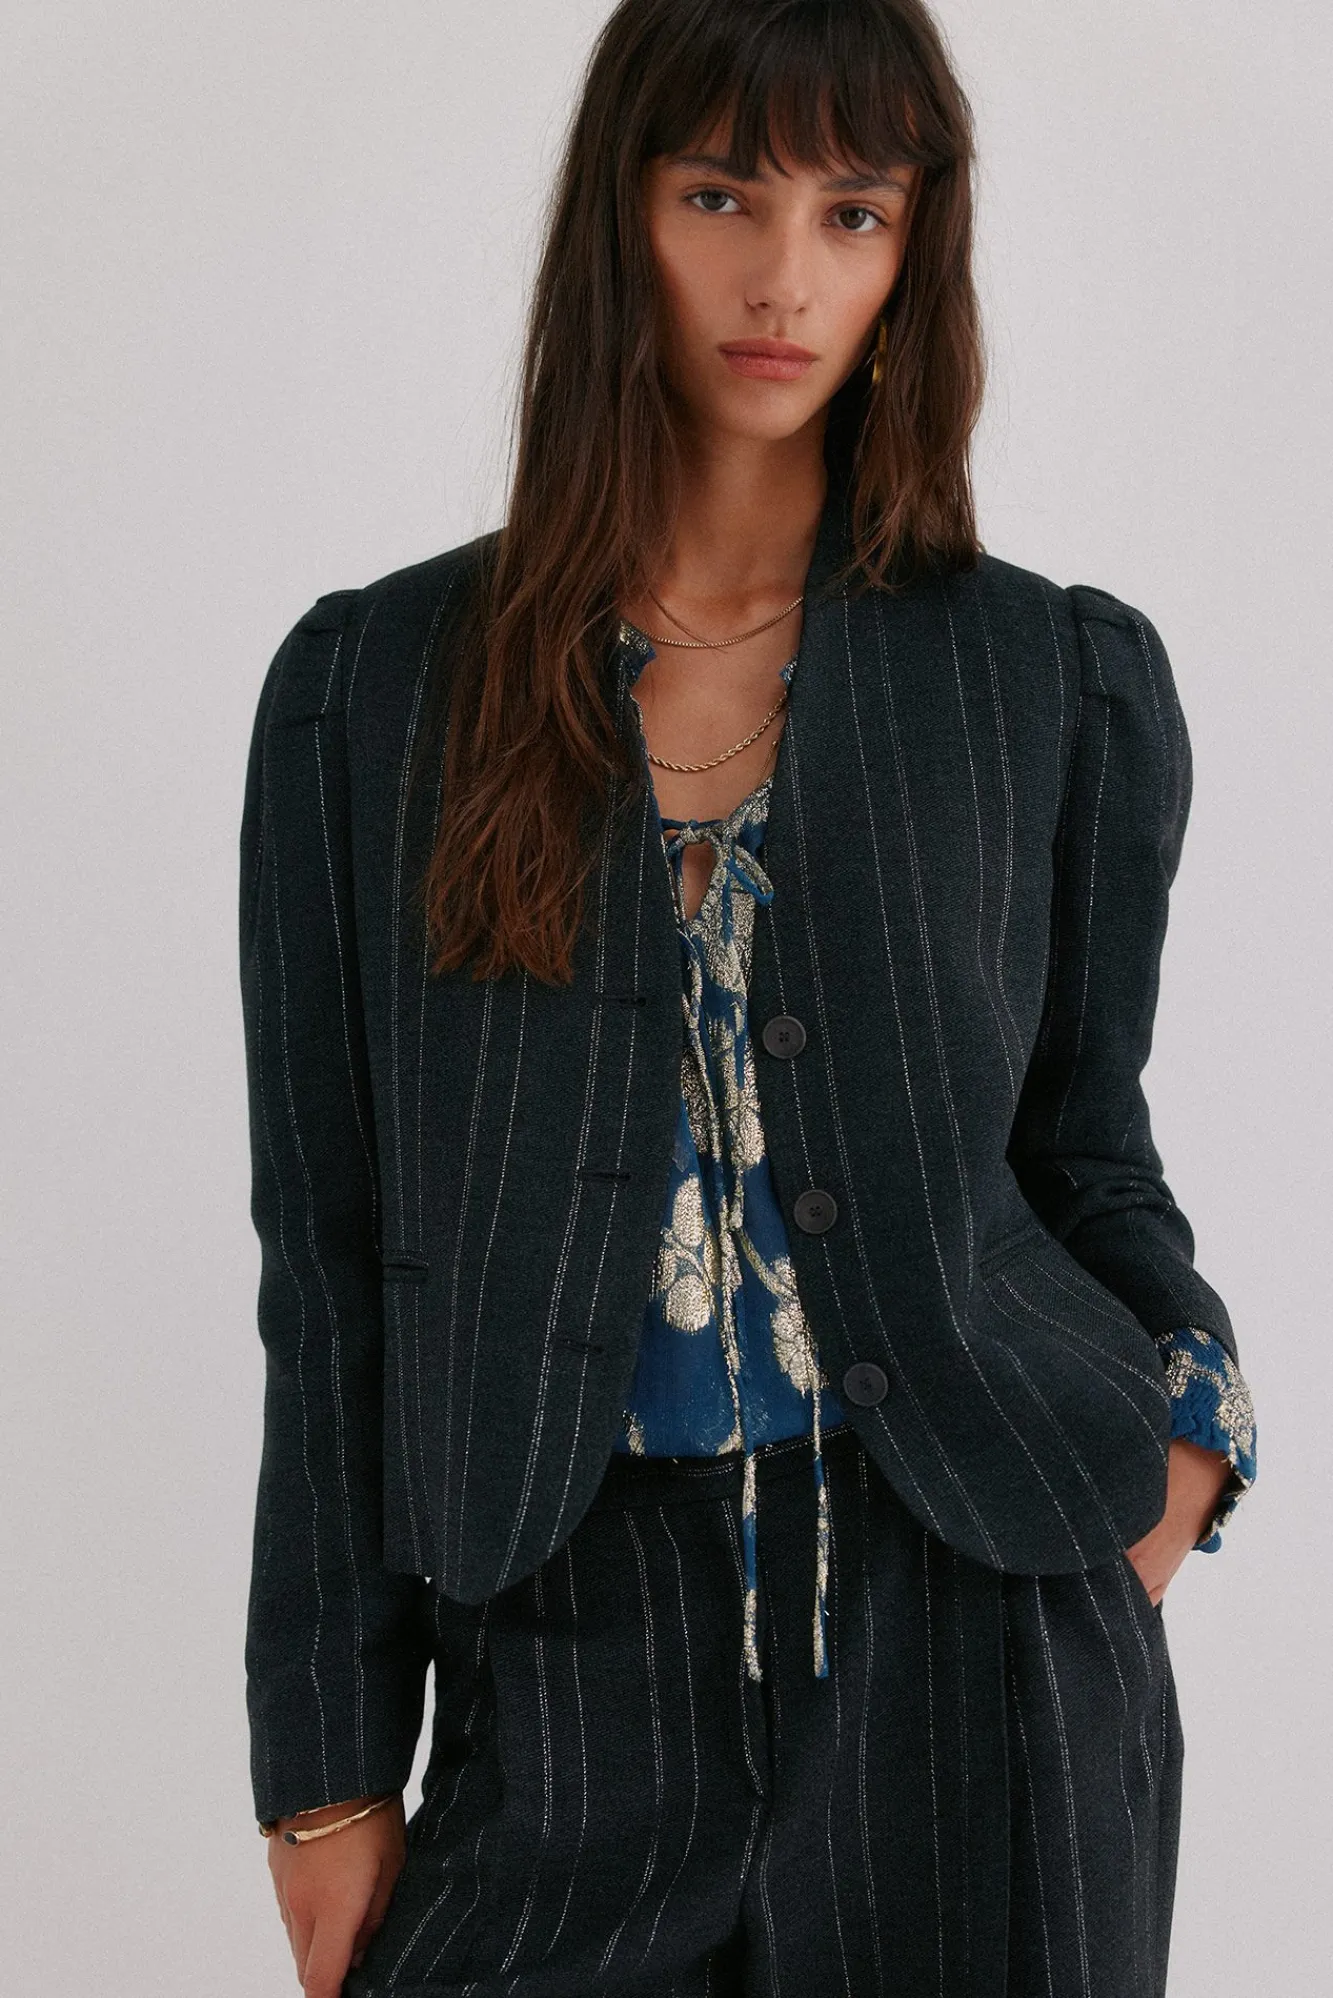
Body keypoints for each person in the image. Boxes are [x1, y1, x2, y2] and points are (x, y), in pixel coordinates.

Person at [237, 3, 1257, 1994]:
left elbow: (1085, 1149)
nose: (785, 277)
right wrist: (325, 1762)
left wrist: (1191, 1437)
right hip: (566, 1673)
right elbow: (330, 1254)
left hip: (980, 1644)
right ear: (622, 211)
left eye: (852, 212)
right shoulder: (375, 694)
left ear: (912, 250)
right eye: (721, 195)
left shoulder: (1048, 680)